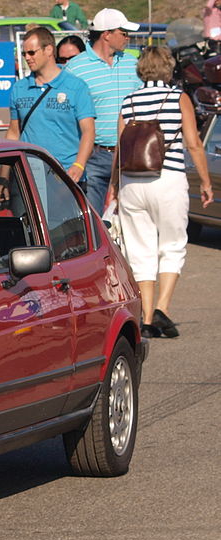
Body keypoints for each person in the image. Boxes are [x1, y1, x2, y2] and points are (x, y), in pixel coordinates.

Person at [111, 47, 213, 339]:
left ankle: (144, 315)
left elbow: (121, 147)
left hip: (132, 181)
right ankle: (163, 309)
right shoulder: (177, 98)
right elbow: (193, 143)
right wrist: (205, 182)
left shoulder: (128, 101)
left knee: (139, 249)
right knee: (173, 244)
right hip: (167, 179)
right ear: (168, 69)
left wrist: (115, 187)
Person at [0, 26, 94, 198]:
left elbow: (88, 131)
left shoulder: (76, 87)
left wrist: (79, 166)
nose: (27, 58)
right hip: (28, 175)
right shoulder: (19, 88)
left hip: (66, 176)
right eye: (24, 54)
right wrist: (3, 177)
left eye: (31, 52)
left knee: (67, 226)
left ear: (49, 49)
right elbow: (13, 133)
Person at [65, 8, 141, 214]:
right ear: (106, 34)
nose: (128, 37)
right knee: (91, 218)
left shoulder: (133, 64)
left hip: (130, 154)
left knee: (131, 217)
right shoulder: (75, 68)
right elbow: (67, 115)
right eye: (124, 33)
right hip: (93, 156)